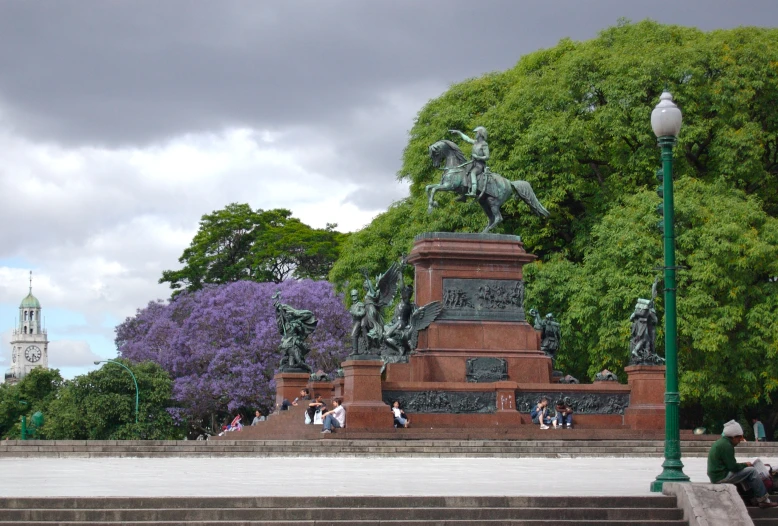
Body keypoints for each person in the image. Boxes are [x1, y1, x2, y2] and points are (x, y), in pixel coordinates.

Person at [708, 419, 777, 508]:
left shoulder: (722, 442)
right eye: (739, 438)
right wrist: (745, 464)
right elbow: (733, 467)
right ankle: (763, 500)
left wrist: (744, 465)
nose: (740, 440)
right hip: (721, 476)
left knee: (745, 472)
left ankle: (752, 499)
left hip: (718, 475)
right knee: (751, 471)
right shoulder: (727, 446)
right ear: (733, 437)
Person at [449, 127, 489, 197]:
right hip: (472, 163)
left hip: (480, 165)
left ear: (480, 133)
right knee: (463, 172)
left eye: (476, 133)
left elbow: (487, 157)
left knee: (473, 173)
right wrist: (459, 132)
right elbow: (467, 139)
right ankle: (463, 193)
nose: (475, 134)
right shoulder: (475, 142)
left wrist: (478, 157)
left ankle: (473, 191)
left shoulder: (484, 144)